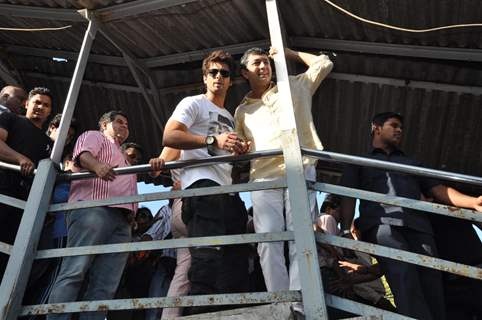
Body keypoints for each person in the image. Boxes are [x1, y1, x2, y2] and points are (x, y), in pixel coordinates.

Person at [339, 111, 482, 320]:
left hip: (420, 228)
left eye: (401, 128)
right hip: (382, 226)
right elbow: (348, 197)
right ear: (376, 128)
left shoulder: (412, 163)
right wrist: (345, 231)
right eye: (394, 125)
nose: (399, 130)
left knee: (431, 280)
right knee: (403, 276)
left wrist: (473, 202)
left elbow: (438, 189)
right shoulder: (358, 161)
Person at [234, 47, 333, 316]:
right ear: (245, 73)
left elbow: (324, 64)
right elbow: (239, 149)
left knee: (300, 237)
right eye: (256, 63)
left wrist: (287, 52)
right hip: (263, 176)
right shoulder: (241, 111)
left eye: (265, 61)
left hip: (299, 169)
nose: (263, 66)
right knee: (268, 242)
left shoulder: (293, 87)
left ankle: (299, 307)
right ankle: (281, 306)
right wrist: (240, 148)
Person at [46, 110, 164, 320]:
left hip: (122, 221)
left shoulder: (127, 160)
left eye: (127, 124)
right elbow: (83, 154)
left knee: (107, 283)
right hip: (93, 209)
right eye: (119, 122)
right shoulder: (95, 136)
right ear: (104, 125)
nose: (124, 126)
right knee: (74, 271)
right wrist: (97, 165)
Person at [162, 50, 250, 314]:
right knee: (206, 258)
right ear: (205, 77)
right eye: (213, 72)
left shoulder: (231, 117)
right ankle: (198, 314)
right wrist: (213, 140)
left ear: (231, 80)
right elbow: (170, 135)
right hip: (200, 186)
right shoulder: (194, 103)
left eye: (224, 73)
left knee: (235, 262)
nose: (219, 77)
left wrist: (239, 153)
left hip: (227, 192)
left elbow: (230, 162)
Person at [0, 87, 53, 279]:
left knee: (8, 258)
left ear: (49, 111)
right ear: (27, 104)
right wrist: (19, 158)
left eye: (46, 105)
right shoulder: (11, 119)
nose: (40, 107)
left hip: (24, 206)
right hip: (3, 189)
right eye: (37, 102)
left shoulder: (50, 144)